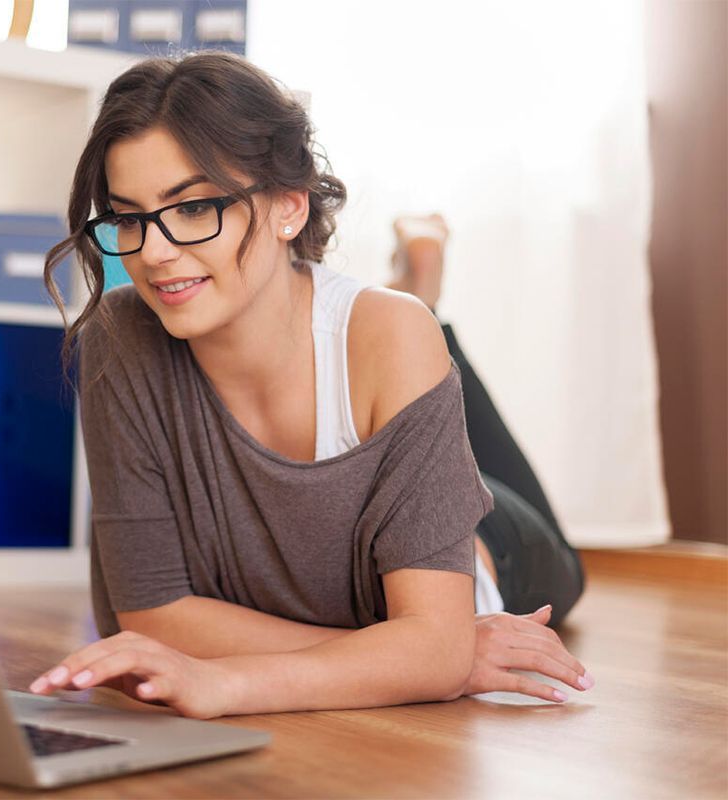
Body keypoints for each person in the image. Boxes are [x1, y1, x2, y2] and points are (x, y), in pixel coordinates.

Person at [33, 52, 590, 719]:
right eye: (129, 218)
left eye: (195, 207)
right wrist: (409, 654)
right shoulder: (119, 338)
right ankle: (420, 300)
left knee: (415, 340)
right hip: (378, 461)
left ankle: (425, 296)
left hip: (491, 541)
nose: (153, 253)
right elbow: (150, 616)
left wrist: (227, 683)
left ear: (288, 206)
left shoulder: (392, 338)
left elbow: (434, 647)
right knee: (405, 350)